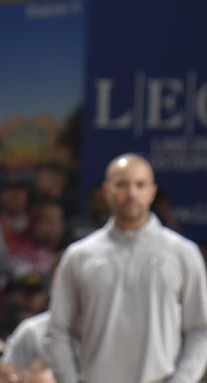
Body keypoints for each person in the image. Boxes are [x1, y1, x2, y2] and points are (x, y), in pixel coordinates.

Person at [47, 153, 207, 383]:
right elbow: (58, 330)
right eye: (121, 184)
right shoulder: (79, 255)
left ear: (152, 191)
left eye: (140, 185)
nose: (131, 194)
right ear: (106, 191)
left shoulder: (183, 253)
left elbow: (201, 328)